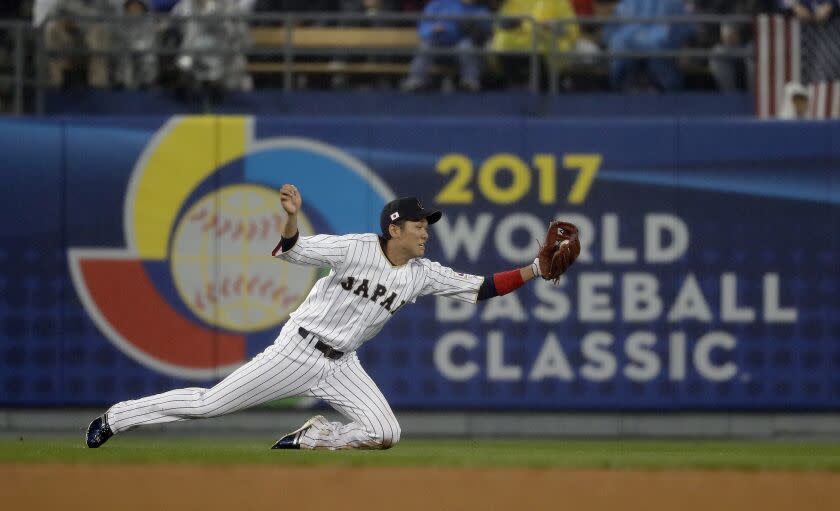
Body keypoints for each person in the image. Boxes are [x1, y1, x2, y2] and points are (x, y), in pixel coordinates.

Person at [86, 184, 579, 450]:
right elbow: (292, 249)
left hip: (343, 363)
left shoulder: (421, 273)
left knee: (386, 434)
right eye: (418, 224)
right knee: (209, 405)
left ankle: (316, 435)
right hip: (298, 350)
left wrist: (535, 269)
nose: (426, 231)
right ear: (393, 227)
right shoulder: (355, 248)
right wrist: (292, 217)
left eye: (427, 225)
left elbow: (481, 287)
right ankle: (117, 417)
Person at [603, 0, 695, 91]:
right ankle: (626, 87)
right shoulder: (626, 3)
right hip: (629, 45)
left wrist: (685, 47)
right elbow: (610, 33)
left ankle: (663, 87)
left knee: (657, 45)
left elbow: (685, 31)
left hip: (662, 46)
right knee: (620, 43)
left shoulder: (673, 3)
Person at [401, 0, 491, 92]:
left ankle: (470, 81)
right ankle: (416, 80)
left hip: (458, 44)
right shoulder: (436, 4)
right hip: (436, 43)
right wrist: (432, 29)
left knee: (466, 46)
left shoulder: (475, 7)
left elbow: (487, 26)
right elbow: (423, 27)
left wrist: (473, 19)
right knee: (425, 47)